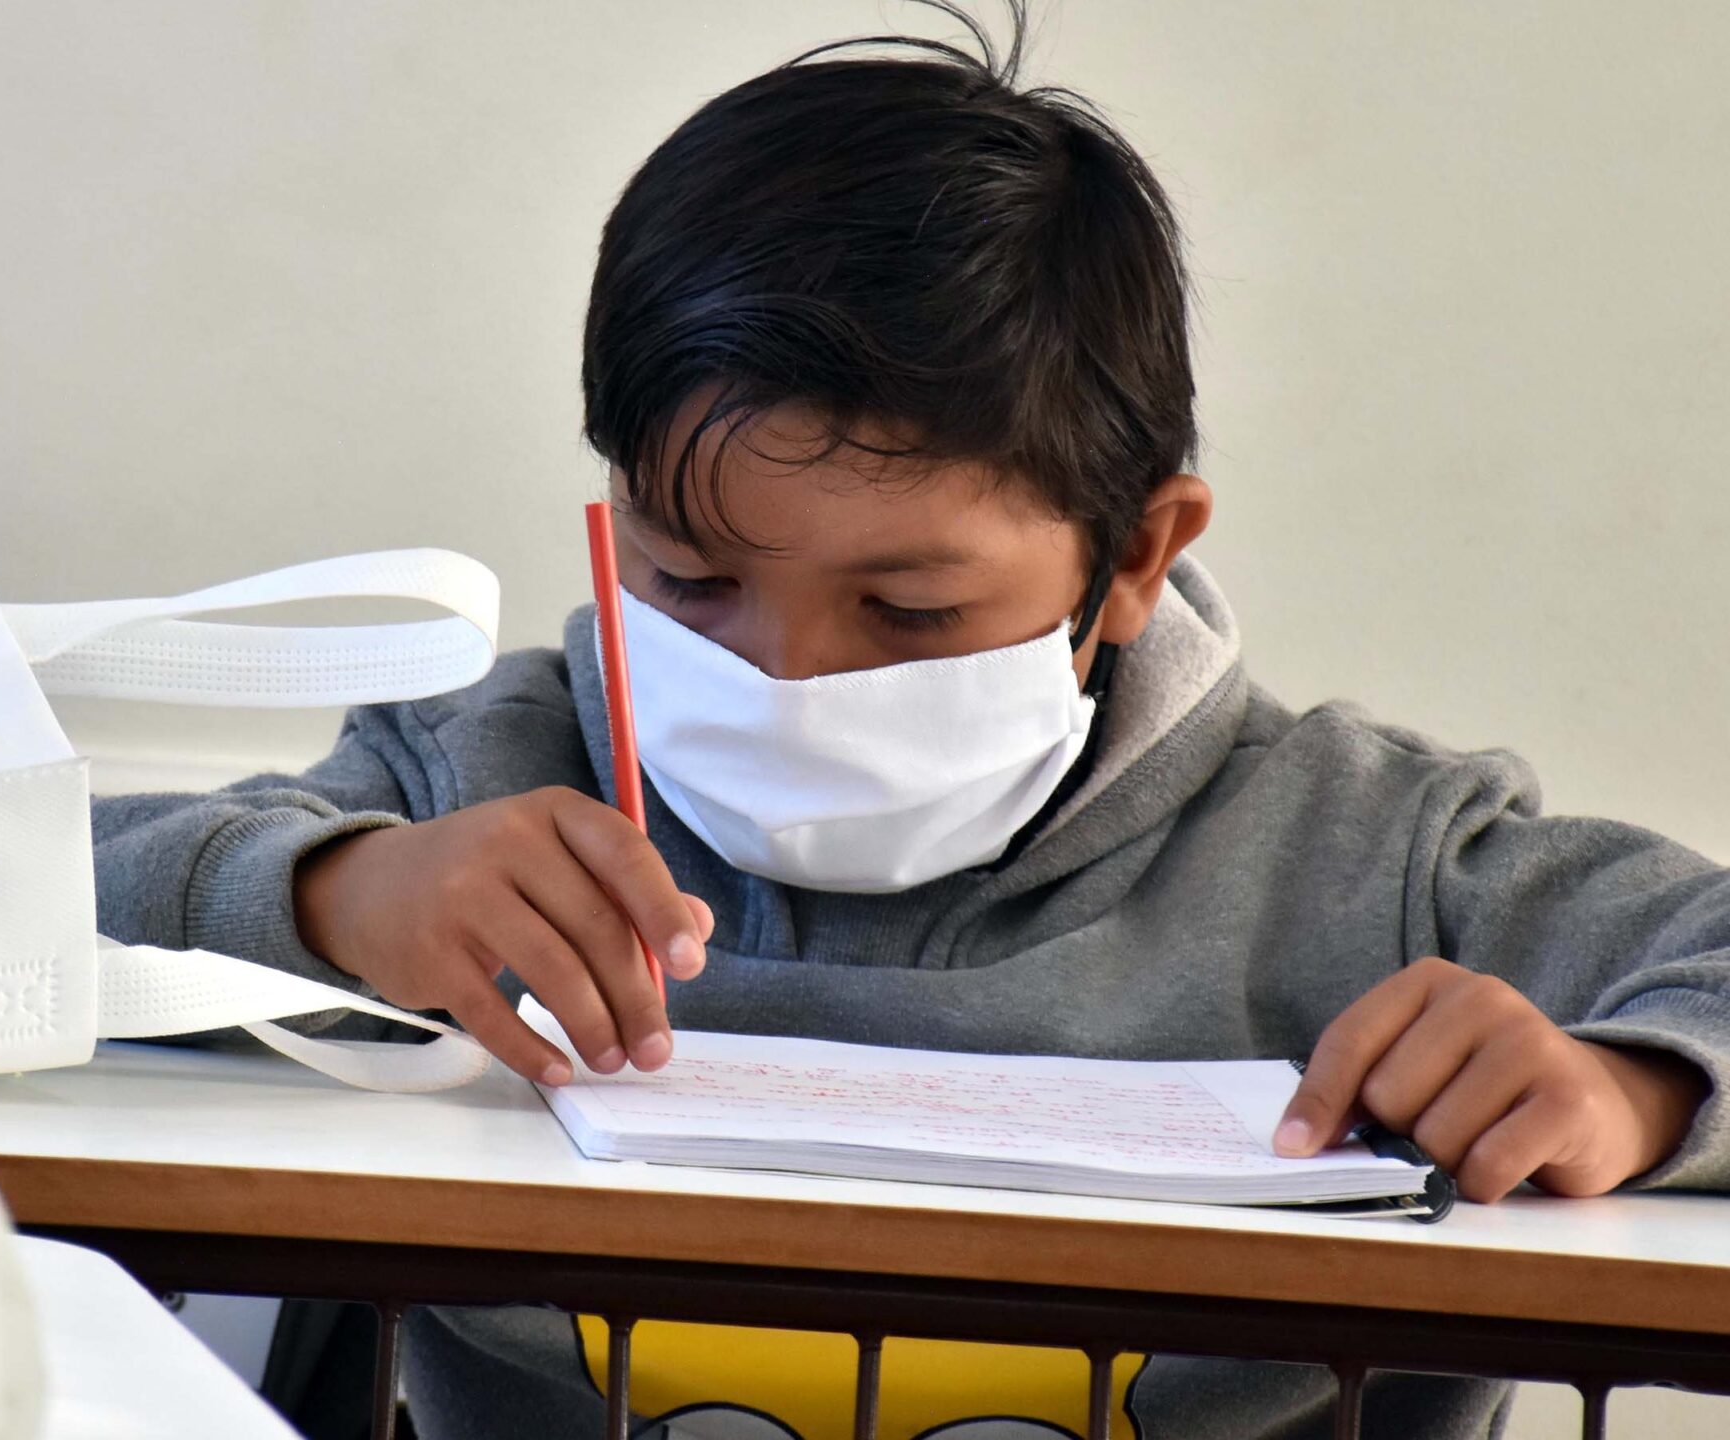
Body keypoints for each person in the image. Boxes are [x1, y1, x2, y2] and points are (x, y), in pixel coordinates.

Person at [91, 6, 1726, 1433]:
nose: (788, 678)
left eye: (912, 612)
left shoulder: (1365, 858)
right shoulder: (482, 789)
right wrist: (331, 895)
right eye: (691, 581)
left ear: (1139, 554)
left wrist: (1635, 1088)